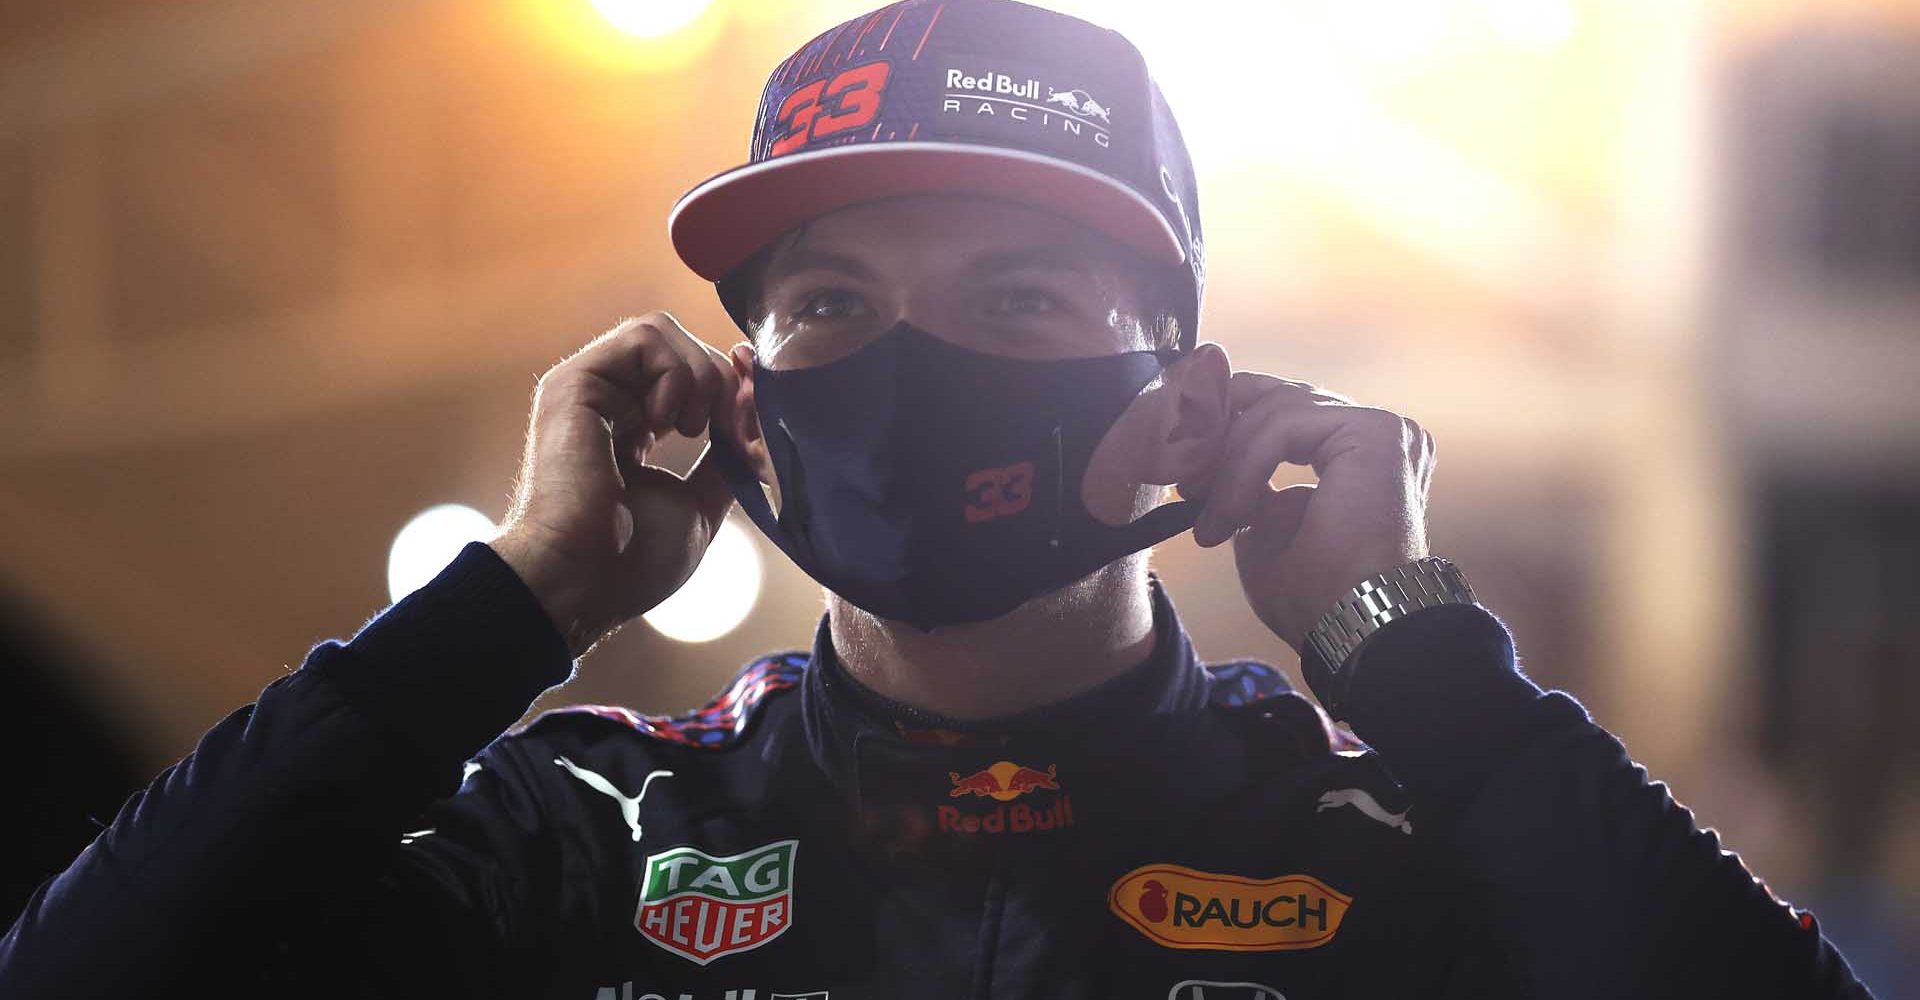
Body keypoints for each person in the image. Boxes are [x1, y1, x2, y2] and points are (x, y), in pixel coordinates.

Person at [0, 2, 1878, 998]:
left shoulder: (1389, 839)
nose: (910, 366)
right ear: (741, 397)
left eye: (1021, 299)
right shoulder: (583, 832)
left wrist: (1418, 662)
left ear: (1184, 396)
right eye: (830, 307)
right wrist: (514, 600)